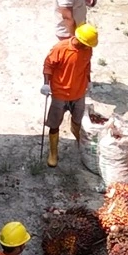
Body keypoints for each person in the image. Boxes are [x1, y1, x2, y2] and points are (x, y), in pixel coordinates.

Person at [42, 23, 97, 168]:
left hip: (79, 93)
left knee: (79, 120)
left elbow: (87, 65)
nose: (87, 47)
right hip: (60, 93)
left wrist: (88, 81)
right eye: (85, 44)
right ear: (78, 39)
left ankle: (79, 138)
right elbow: (48, 65)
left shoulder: (88, 49)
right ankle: (53, 153)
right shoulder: (60, 48)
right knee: (54, 124)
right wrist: (46, 83)